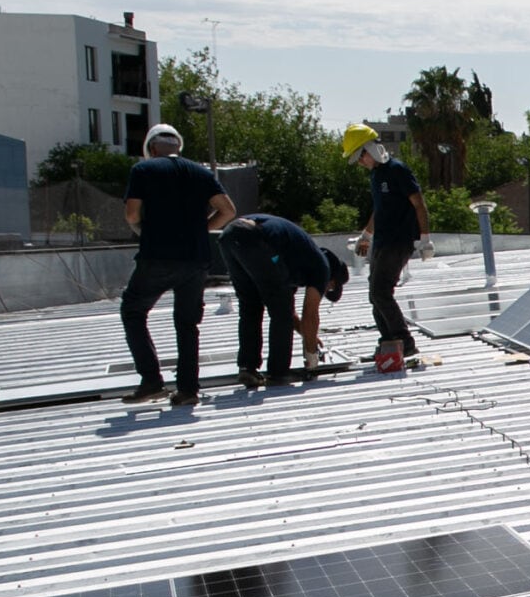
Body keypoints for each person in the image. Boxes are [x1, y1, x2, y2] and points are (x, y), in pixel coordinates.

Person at [120, 122, 234, 407]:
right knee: (187, 324)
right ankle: (187, 390)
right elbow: (228, 210)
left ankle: (151, 381)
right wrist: (200, 230)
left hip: (156, 256)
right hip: (195, 260)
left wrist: (144, 229)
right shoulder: (200, 172)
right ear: (178, 146)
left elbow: (132, 214)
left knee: (133, 310)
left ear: (151, 148)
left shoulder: (143, 170)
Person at [341, 122, 431, 368]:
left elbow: (419, 204)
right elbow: (379, 210)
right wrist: (366, 236)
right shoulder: (376, 175)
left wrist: (425, 238)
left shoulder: (397, 170)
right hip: (382, 240)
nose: (360, 163)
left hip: (398, 241)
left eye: (360, 157)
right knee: (374, 293)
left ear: (369, 150)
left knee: (381, 291)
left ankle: (404, 340)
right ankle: (389, 340)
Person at [217, 213, 342, 387]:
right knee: (280, 312)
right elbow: (309, 313)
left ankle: (248, 368)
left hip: (230, 235)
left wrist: (308, 334)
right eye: (329, 288)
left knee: (251, 306)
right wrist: (311, 353)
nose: (325, 291)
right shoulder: (322, 266)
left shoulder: (296, 262)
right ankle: (278, 373)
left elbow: (292, 313)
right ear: (332, 278)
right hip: (255, 237)